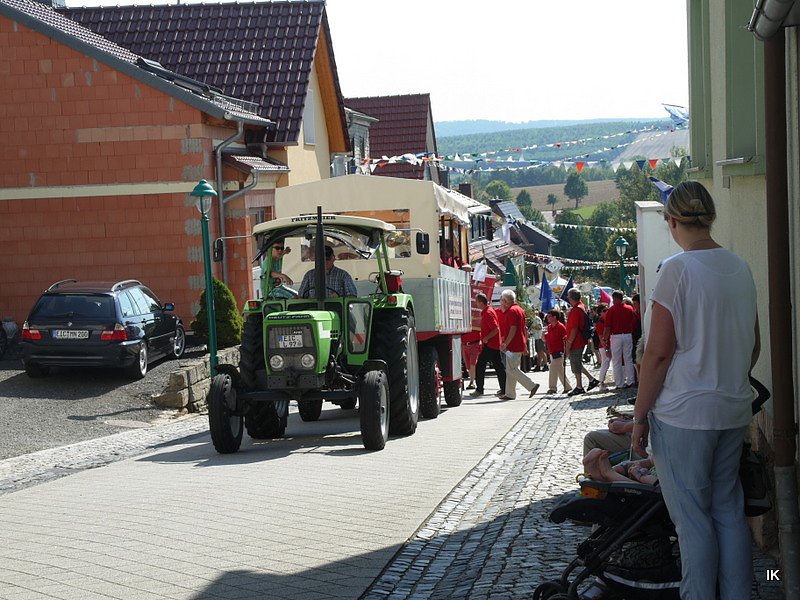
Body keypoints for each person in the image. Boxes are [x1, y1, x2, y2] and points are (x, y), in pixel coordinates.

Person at [631, 180, 760, 600]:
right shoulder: (739, 266)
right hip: (733, 407)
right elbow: (752, 344)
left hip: (683, 414)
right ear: (709, 217)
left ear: (671, 221)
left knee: (694, 521)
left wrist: (638, 416)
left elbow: (658, 355)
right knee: (728, 511)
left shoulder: (676, 270)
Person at [498, 289, 539, 399]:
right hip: (518, 343)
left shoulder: (511, 311)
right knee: (511, 369)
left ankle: (532, 386)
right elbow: (524, 329)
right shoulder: (519, 309)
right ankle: (510, 394)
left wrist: (505, 343)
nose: (501, 302)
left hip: (513, 344)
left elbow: (513, 328)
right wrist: (524, 343)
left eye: (502, 300)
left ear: (506, 301)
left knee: (511, 369)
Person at [563, 288, 600, 396]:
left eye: (569, 297)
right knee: (577, 362)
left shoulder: (576, 310)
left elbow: (574, 328)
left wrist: (569, 343)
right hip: (579, 339)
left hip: (576, 341)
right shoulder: (581, 307)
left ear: (571, 298)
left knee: (575, 363)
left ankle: (579, 386)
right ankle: (591, 379)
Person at [471, 292, 506, 397]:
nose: (476, 304)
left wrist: (486, 338)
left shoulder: (488, 313)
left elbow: (495, 329)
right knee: (499, 367)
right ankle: (504, 388)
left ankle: (479, 389)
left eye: (477, 301)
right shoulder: (488, 311)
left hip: (491, 345)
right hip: (493, 344)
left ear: (481, 302)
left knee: (480, 365)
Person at [602, 290, 638, 389]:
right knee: (628, 359)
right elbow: (633, 321)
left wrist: (605, 339)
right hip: (627, 335)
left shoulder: (611, 310)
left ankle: (619, 383)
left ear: (615, 298)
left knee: (616, 360)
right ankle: (631, 381)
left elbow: (608, 327)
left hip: (616, 336)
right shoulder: (629, 308)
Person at [582, 449, 658, 485]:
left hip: (659, 487)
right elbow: (650, 461)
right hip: (651, 471)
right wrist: (623, 467)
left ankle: (608, 474)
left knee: (646, 488)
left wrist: (641, 476)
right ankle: (601, 476)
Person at [543, 309, 572, 395]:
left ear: (554, 317)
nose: (547, 318)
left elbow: (565, 339)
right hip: (552, 351)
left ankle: (552, 388)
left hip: (559, 352)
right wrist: (543, 335)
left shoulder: (561, 327)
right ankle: (567, 387)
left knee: (553, 368)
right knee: (559, 370)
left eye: (549, 316)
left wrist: (567, 351)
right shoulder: (549, 327)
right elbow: (546, 339)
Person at [593, 303, 611, 391]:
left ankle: (602, 382)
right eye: (604, 310)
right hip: (603, 346)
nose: (606, 311)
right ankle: (601, 382)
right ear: (600, 313)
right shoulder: (600, 323)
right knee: (605, 363)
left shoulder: (606, 320)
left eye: (607, 310)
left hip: (607, 345)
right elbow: (601, 337)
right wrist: (606, 348)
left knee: (606, 363)